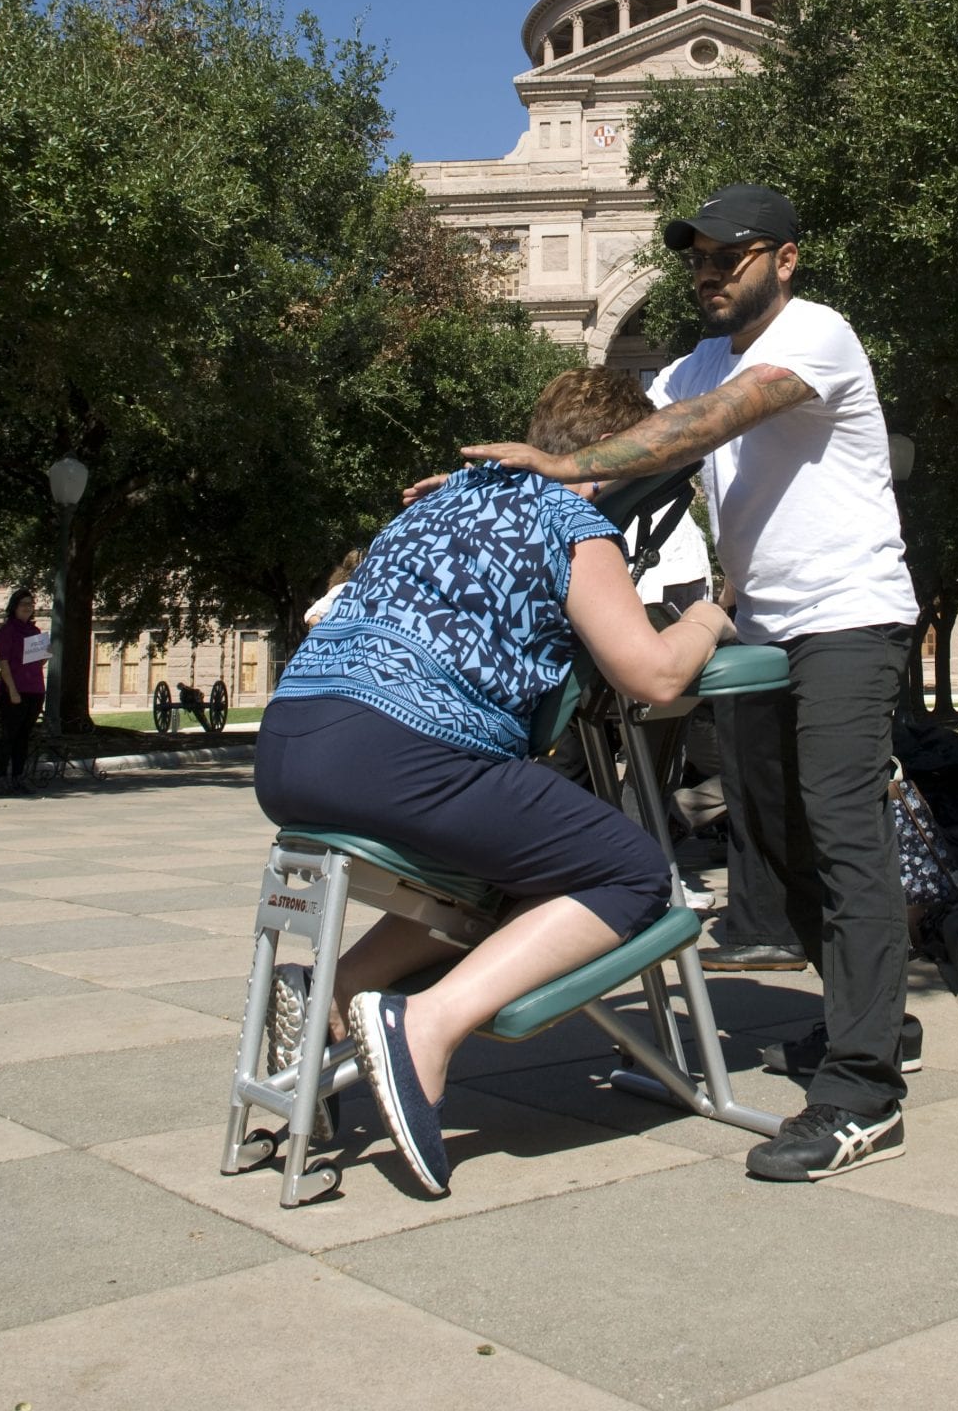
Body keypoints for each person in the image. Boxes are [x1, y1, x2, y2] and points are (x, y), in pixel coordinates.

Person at [460, 183, 920, 1184]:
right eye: (698, 257)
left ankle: (862, 1089)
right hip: (759, 625)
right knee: (779, 838)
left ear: (785, 258)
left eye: (732, 254)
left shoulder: (818, 334)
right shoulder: (695, 360)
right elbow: (611, 457)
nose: (709, 272)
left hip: (849, 613)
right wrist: (491, 492)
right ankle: (869, 1016)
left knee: (843, 829)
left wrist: (556, 461)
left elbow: (704, 425)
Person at [254, 367, 736, 1197]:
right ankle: (425, 1027)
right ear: (622, 456)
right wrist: (707, 616)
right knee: (627, 871)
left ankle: (336, 993)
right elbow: (652, 677)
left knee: (506, 879)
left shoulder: (433, 502)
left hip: (290, 747)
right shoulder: (571, 520)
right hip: (399, 753)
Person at [0, 587, 46, 796]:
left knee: (24, 736)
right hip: (13, 691)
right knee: (9, 736)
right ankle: (1, 778)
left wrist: (45, 654)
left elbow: (36, 663)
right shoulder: (7, 631)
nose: (27, 608)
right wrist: (13, 691)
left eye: (30, 604)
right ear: (14, 606)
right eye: (23, 604)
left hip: (34, 689)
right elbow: (3, 662)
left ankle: (18, 777)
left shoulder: (34, 632)